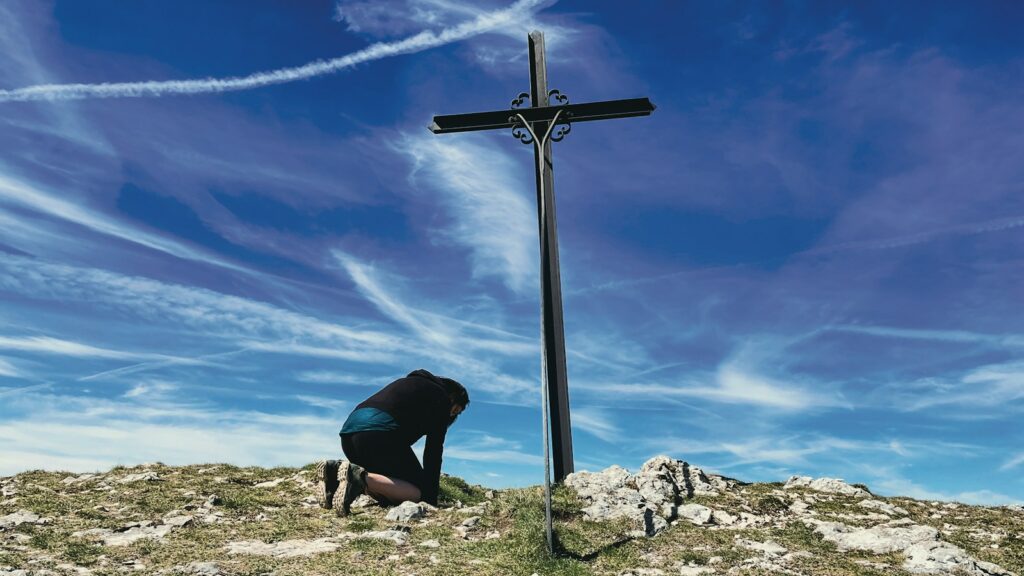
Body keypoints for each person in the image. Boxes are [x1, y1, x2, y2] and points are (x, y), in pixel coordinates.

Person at [315, 369, 469, 516]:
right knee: (417, 493)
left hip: (349, 435)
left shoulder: (410, 383)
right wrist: (430, 497)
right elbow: (433, 451)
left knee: (390, 489)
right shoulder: (441, 398)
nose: (452, 415)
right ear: (452, 397)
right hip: (378, 434)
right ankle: (357, 478)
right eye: (455, 410)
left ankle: (334, 481)